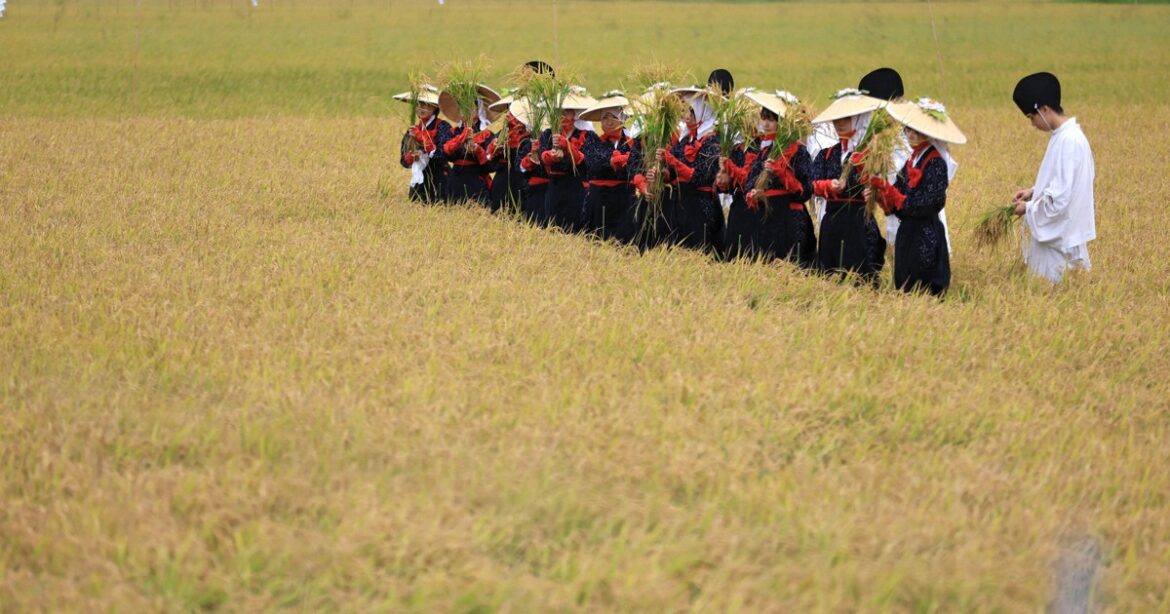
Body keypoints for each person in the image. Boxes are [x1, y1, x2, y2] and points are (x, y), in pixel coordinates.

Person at [869, 97, 965, 295]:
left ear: (928, 134)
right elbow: (897, 192)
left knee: (924, 286)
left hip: (926, 233)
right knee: (905, 284)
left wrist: (898, 198)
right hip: (908, 232)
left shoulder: (936, 163)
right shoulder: (911, 160)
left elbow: (932, 201)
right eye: (908, 129)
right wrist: (880, 191)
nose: (910, 134)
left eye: (916, 131)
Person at [1010, 72, 1096, 283]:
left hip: (1058, 245)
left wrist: (1027, 208)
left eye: (1032, 117)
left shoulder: (1068, 141)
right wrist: (1033, 191)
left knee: (1052, 296)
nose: (1032, 124)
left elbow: (1059, 200)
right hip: (1063, 237)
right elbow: (1063, 182)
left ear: (1045, 109)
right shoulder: (1066, 136)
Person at [729, 90, 815, 266]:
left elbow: (805, 190)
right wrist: (753, 194)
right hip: (764, 219)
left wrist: (780, 172)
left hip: (787, 219)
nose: (767, 124)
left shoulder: (798, 152)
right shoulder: (763, 151)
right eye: (764, 118)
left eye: (772, 119)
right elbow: (750, 182)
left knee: (786, 265)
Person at [811, 89, 886, 285]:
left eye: (845, 118)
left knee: (862, 279)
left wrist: (863, 167)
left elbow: (882, 185)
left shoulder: (872, 155)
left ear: (858, 119)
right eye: (836, 119)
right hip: (832, 222)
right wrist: (829, 185)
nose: (839, 124)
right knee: (829, 276)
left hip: (860, 221)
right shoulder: (826, 154)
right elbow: (811, 183)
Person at [538, 87, 598, 232]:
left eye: (567, 111)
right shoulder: (548, 134)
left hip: (575, 188)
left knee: (575, 230)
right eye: (559, 111)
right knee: (553, 229)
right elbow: (540, 162)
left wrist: (568, 148)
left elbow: (589, 165)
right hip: (554, 188)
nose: (563, 115)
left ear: (575, 113)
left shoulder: (587, 136)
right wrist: (549, 157)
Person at [581, 92, 637, 240]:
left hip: (624, 199)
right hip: (598, 198)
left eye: (614, 116)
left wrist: (627, 160)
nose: (609, 121)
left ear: (622, 118)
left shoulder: (632, 143)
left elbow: (638, 165)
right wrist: (611, 161)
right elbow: (591, 163)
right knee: (596, 240)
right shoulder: (593, 141)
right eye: (605, 117)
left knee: (623, 241)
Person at [436, 84, 501, 205]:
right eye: (462, 107)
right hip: (455, 180)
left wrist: (478, 151)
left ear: (478, 109)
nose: (466, 111)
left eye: (470, 107)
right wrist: (462, 137)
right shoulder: (454, 132)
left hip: (476, 181)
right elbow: (445, 153)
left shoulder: (486, 134)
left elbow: (491, 165)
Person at [394, 85, 452, 203]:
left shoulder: (443, 126)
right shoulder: (412, 130)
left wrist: (423, 140)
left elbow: (443, 155)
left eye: (426, 104)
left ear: (435, 107)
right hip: (419, 181)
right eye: (419, 104)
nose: (421, 108)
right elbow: (404, 162)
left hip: (439, 178)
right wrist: (411, 157)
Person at [486, 93, 531, 214]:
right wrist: (495, 149)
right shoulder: (501, 134)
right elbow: (489, 161)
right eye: (509, 110)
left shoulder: (530, 136)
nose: (509, 115)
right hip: (501, 181)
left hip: (521, 182)